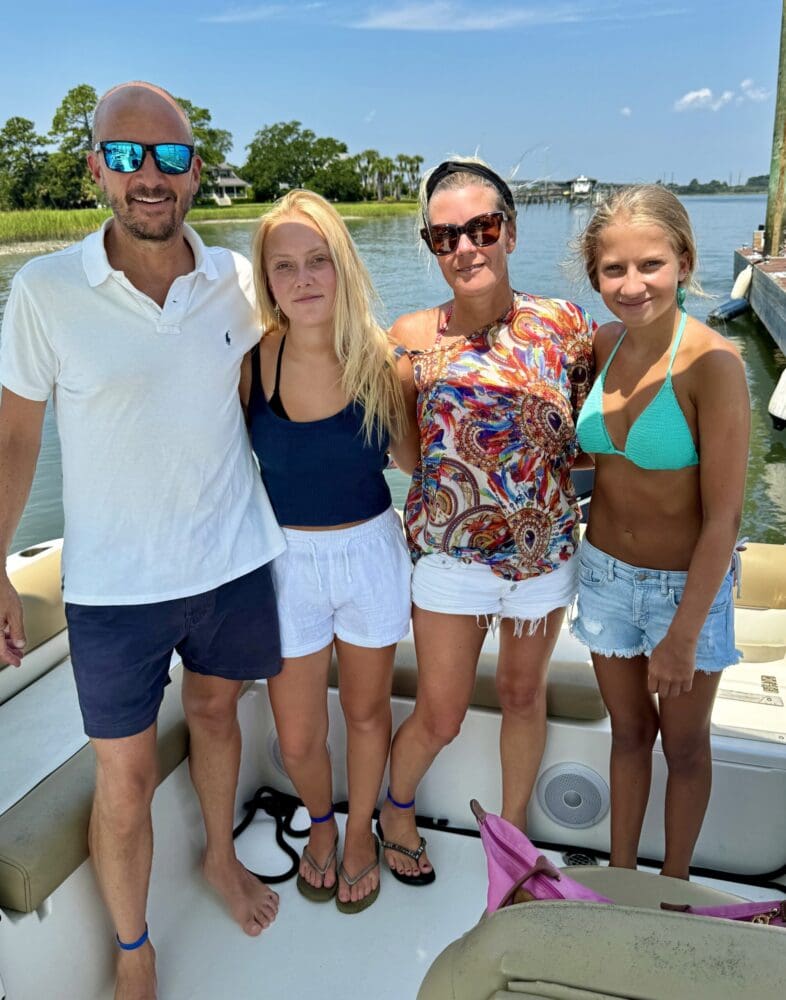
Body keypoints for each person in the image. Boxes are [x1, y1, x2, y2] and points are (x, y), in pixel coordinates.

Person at [0, 82, 285, 999]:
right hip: (114, 586)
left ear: (197, 169)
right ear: (96, 171)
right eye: (126, 157)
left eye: (168, 156)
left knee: (214, 716)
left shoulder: (239, 279)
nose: (149, 176)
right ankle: (134, 947)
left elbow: (284, 379)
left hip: (233, 558)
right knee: (120, 771)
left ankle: (218, 860)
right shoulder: (44, 289)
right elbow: (15, 439)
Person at [377, 158, 595, 883]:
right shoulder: (407, 338)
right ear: (431, 246)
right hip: (450, 562)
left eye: (482, 227)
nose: (466, 247)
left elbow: (594, 434)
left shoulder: (565, 325)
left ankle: (516, 842)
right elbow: (406, 450)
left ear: (509, 231)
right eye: (445, 236)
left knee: (522, 696)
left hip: (544, 559)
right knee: (440, 714)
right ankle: (395, 811)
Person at [242, 190, 418, 912]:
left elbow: (421, 464)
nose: (304, 277)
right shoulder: (253, 363)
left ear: (344, 266)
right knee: (299, 733)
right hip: (287, 566)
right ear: (267, 279)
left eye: (319, 260)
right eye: (285, 266)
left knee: (369, 714)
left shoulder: (383, 361)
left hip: (372, 555)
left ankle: (358, 834)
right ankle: (319, 823)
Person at [571, 184, 749, 879]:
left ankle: (672, 891)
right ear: (595, 277)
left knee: (685, 748)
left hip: (687, 589)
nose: (632, 284)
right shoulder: (603, 344)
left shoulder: (714, 364)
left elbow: (724, 518)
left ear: (683, 260)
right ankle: (620, 881)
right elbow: (589, 463)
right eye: (613, 270)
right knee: (627, 735)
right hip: (605, 574)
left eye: (650, 265)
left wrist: (682, 636)